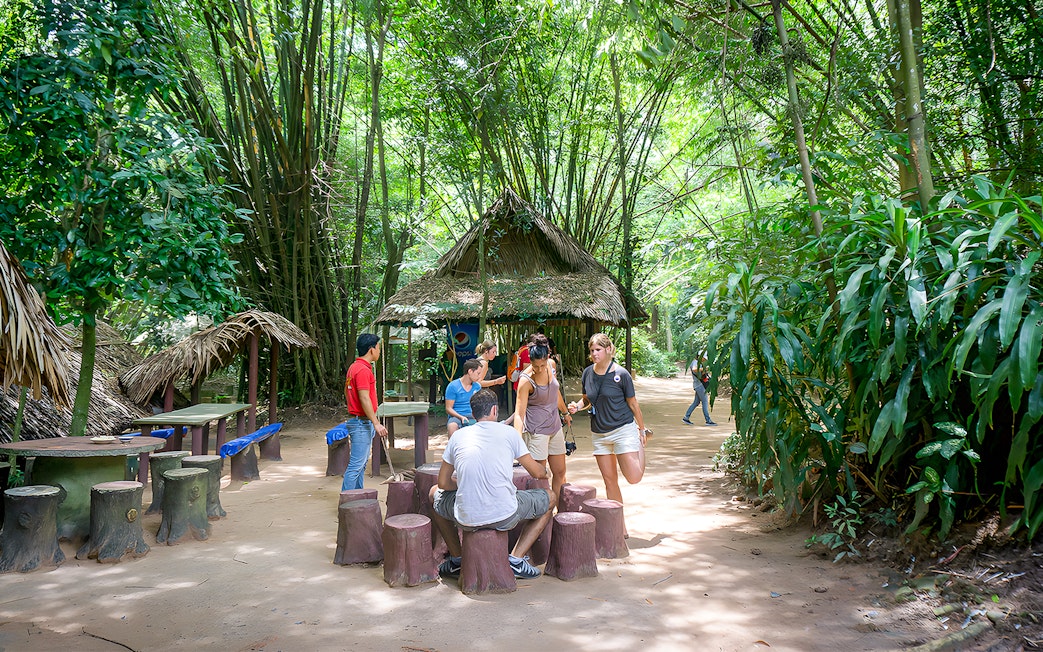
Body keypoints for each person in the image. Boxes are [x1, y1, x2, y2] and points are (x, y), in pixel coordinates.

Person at [429, 389, 555, 579]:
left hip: (466, 518)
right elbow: (537, 473)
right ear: (495, 410)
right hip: (506, 515)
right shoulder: (509, 433)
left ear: (473, 413)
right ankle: (516, 560)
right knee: (550, 497)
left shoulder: (457, 436)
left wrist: (463, 485)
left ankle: (457, 559)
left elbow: (442, 483)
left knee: (433, 493)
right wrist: (546, 470)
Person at [567, 333, 651, 535]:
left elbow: (633, 403)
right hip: (600, 434)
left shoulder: (621, 374)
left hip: (623, 429)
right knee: (610, 481)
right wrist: (576, 406)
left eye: (598, 350)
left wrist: (641, 429)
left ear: (607, 350)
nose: (594, 354)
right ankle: (619, 527)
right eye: (592, 350)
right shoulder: (587, 373)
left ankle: (641, 441)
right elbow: (587, 399)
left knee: (634, 477)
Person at [513, 334, 571, 500]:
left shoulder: (551, 366)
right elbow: (519, 412)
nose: (538, 369)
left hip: (555, 426)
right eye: (535, 365)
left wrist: (565, 412)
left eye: (542, 365)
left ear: (548, 358)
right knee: (540, 476)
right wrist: (517, 439)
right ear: (530, 360)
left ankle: (561, 514)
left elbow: (555, 392)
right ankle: (543, 515)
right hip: (537, 431)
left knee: (560, 472)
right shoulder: (526, 380)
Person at [342, 333, 389, 491]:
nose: (379, 351)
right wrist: (376, 423)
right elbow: (364, 398)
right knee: (356, 466)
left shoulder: (354, 367)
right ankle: (347, 502)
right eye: (378, 347)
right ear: (371, 349)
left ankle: (358, 497)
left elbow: (348, 393)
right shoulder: (362, 370)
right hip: (361, 422)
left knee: (360, 466)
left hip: (359, 420)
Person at [445, 358, 484, 436]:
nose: (479, 377)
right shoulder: (453, 386)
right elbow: (448, 408)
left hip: (474, 416)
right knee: (452, 426)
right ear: (470, 371)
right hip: (457, 416)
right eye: (478, 373)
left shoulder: (477, 387)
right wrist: (461, 417)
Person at [683, 351, 717, 426]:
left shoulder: (697, 362)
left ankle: (686, 417)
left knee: (696, 402)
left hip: (698, 385)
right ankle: (708, 420)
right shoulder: (695, 362)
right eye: (704, 358)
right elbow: (695, 369)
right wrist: (704, 368)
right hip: (699, 385)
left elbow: (700, 373)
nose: (705, 360)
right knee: (704, 402)